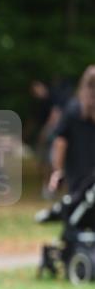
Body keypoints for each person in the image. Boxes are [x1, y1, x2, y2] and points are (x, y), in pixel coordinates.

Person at [49, 65, 95, 195]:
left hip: (78, 177)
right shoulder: (74, 109)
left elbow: (60, 142)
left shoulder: (73, 109)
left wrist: (57, 170)